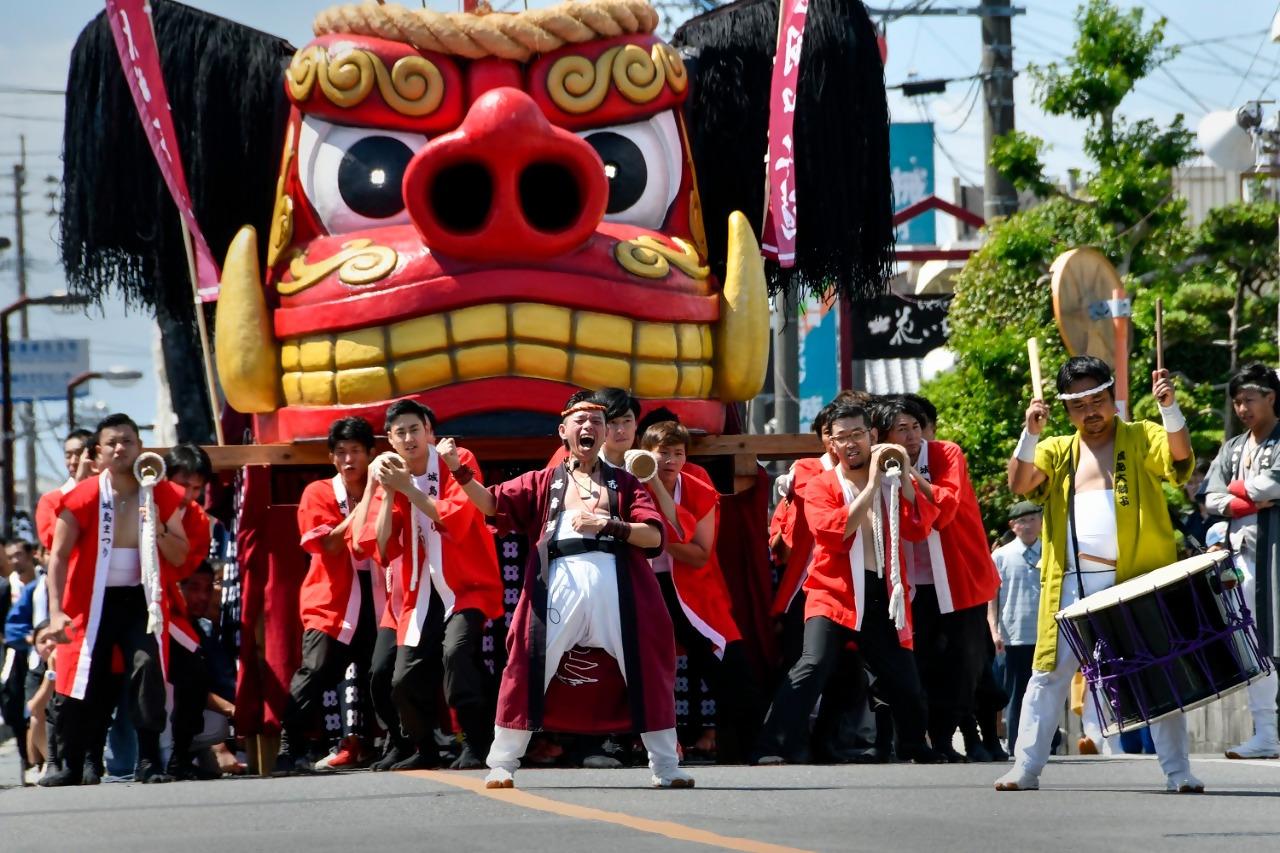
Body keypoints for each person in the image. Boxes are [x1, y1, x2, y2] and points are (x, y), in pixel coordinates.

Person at [454, 396, 690, 789]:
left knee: (646, 665)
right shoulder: (542, 481)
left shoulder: (626, 482)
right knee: (526, 663)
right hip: (557, 587)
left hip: (620, 589)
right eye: (581, 420)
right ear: (563, 432)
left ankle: (666, 766)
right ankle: (503, 763)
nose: (590, 427)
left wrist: (608, 525)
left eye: (597, 421)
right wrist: (458, 472)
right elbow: (493, 504)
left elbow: (654, 536)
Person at [997, 357, 1200, 793]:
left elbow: (1178, 457)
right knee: (1048, 675)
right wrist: (1030, 432)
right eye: (1079, 405)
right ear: (1066, 410)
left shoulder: (1142, 434)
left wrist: (1170, 409)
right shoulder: (1055, 449)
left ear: (1112, 398)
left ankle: (1178, 772)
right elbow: (1019, 482)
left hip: (1136, 578)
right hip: (1072, 580)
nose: (1091, 412)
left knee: (1156, 670)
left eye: (1098, 400)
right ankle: (1026, 768)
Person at [754, 401, 944, 765]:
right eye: (843, 438)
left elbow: (921, 526)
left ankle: (914, 746)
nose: (851, 443)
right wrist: (872, 485)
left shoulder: (891, 478)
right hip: (832, 592)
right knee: (813, 664)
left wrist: (903, 479)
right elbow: (832, 534)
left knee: (903, 677)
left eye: (858, 434)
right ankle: (771, 746)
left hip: (880, 593)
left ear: (872, 436)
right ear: (832, 446)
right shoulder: (822, 484)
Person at [40, 413, 191, 786]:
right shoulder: (83, 496)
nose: (121, 448)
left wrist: (155, 525)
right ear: (98, 455)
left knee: (146, 666)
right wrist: (56, 612)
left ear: (141, 448)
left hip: (139, 600)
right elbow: (57, 556)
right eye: (112, 443)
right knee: (82, 677)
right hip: (90, 602)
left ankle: (149, 760)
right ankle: (71, 764)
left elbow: (180, 553)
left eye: (128, 440)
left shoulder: (162, 491)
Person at [361, 400, 503, 771]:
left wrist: (407, 489)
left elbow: (456, 518)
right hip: (415, 591)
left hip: (464, 584)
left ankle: (476, 742)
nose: (409, 438)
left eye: (415, 429)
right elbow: (381, 546)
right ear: (389, 439)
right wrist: (390, 491)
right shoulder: (390, 474)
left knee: (456, 654)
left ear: (429, 432)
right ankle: (422, 749)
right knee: (401, 677)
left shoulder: (457, 459)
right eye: (400, 432)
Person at [877, 395, 1000, 762]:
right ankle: (917, 739)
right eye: (902, 429)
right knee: (917, 663)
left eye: (916, 427)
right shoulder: (876, 464)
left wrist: (910, 476)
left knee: (967, 663)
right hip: (907, 585)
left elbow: (944, 507)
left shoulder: (947, 453)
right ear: (883, 435)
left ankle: (954, 737)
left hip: (959, 578)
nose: (913, 437)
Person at [639, 420, 759, 763]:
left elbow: (701, 553)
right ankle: (620, 746)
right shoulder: (627, 486)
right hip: (642, 588)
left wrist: (657, 536)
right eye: (663, 453)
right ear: (645, 453)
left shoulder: (698, 488)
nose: (670, 461)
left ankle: (747, 748)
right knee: (631, 664)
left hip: (694, 591)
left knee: (732, 664)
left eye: (678, 453)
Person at [272, 418, 383, 774]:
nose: (348, 459)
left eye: (355, 451)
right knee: (315, 672)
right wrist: (365, 502)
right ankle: (291, 747)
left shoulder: (389, 489)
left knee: (381, 673)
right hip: (331, 599)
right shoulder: (318, 492)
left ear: (371, 454)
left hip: (380, 596)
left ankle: (385, 744)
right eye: (340, 452)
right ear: (331, 458)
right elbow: (330, 545)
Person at [1204, 362, 1280, 760]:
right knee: (1255, 644)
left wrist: (1234, 497)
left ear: (1271, 397)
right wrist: (1245, 498)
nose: (1242, 409)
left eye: (1249, 399)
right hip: (1243, 557)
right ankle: (1266, 733)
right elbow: (1210, 495)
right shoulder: (1233, 448)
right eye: (1236, 402)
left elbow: (1275, 483)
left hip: (1276, 555)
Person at [990, 501, 1043, 758]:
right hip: (1014, 634)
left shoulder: (1052, 552)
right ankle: (1015, 745)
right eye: (1022, 520)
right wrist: (994, 630)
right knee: (1016, 692)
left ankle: (1047, 743)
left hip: (1046, 633)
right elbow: (992, 597)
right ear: (1013, 525)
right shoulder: (1001, 556)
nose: (1029, 525)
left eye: (1033, 518)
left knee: (1045, 691)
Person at [2, 539, 40, 773]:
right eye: (10, 557)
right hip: (15, 653)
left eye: (19, 555)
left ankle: (44, 758)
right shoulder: (6, 588)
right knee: (13, 705)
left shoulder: (44, 580)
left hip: (45, 651)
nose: (15, 560)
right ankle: (27, 757)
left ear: (30, 555)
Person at [35, 429, 97, 550]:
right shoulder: (50, 500)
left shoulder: (109, 492)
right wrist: (79, 488)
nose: (73, 461)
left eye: (79, 454)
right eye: (68, 455)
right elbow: (51, 542)